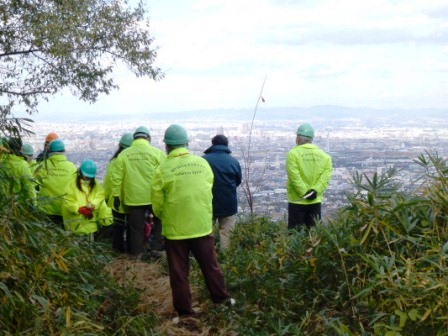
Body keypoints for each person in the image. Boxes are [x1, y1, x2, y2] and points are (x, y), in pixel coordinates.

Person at [152, 124, 232, 319]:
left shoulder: (162, 169)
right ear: (186, 143)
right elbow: (208, 189)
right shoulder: (202, 164)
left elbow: (157, 205)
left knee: (179, 274)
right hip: (202, 227)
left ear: (167, 146)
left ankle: (186, 313)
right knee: (211, 266)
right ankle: (222, 301)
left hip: (175, 231)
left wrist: (169, 216)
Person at [110, 126, 166, 259]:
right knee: (160, 222)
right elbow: (165, 174)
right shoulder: (157, 153)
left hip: (134, 198)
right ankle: (157, 250)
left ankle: (136, 256)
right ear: (148, 138)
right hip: (154, 196)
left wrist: (116, 195)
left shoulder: (124, 154)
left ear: (134, 139)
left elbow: (116, 177)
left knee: (136, 228)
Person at [286, 123, 333, 229]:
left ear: (298, 138)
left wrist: (304, 194)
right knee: (314, 235)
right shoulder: (326, 157)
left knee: (295, 235)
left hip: (297, 201)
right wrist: (314, 191)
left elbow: (295, 178)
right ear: (311, 139)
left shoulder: (293, 154)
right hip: (315, 201)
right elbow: (325, 178)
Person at [203, 134, 242, 250]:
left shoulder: (203, 160)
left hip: (207, 202)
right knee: (227, 234)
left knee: (206, 232)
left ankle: (206, 257)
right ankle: (226, 259)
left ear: (212, 144)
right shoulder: (233, 161)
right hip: (228, 203)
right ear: (226, 145)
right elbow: (238, 181)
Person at [62, 159, 112, 239]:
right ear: (80, 173)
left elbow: (100, 196)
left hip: (90, 223)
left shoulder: (96, 184)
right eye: (86, 176)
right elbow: (68, 201)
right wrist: (79, 209)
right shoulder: (71, 185)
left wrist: (93, 205)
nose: (88, 178)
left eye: (90, 177)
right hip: (74, 224)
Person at [35, 139, 78, 228]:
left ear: (49, 151)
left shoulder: (42, 166)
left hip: (46, 209)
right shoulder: (71, 167)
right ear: (64, 151)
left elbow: (33, 183)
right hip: (65, 209)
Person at [103, 133, 133, 253]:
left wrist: (107, 197)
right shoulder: (132, 163)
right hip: (131, 200)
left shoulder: (114, 162)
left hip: (115, 201)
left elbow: (109, 183)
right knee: (132, 229)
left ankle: (117, 251)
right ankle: (132, 251)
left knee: (118, 229)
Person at [0, 136, 36, 204]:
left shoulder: (2, 162)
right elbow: (29, 187)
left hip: (3, 203)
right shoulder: (22, 165)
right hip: (17, 204)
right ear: (20, 148)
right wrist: (34, 204)